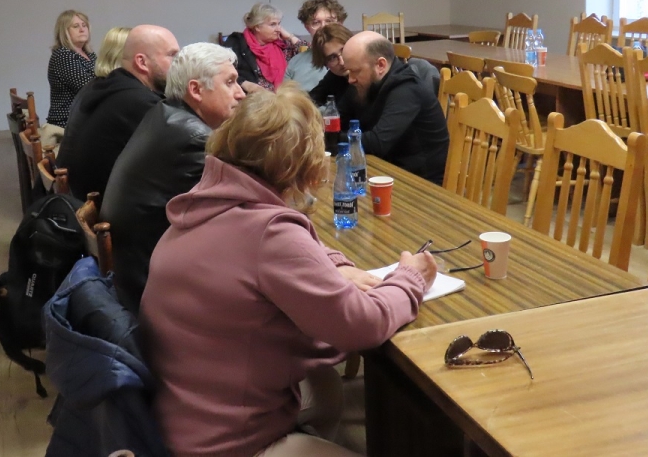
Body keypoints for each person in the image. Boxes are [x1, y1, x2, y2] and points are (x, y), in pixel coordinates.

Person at [139, 84, 436, 457]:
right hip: (224, 444)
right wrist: (410, 278)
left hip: (180, 412)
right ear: (300, 166)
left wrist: (335, 265)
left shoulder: (206, 201)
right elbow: (363, 324)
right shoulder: (270, 234)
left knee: (323, 387)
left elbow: (290, 246)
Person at [100, 42, 245, 315]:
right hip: (149, 287)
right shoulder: (194, 138)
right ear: (196, 90)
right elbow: (243, 209)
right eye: (230, 82)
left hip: (131, 268)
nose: (240, 93)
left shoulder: (165, 114)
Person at [56, 25, 180, 200]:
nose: (179, 64)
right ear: (142, 62)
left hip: (75, 197)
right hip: (97, 206)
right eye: (172, 55)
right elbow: (177, 161)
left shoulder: (99, 86)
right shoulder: (140, 102)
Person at [341, 31, 449, 184]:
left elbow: (377, 143)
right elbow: (339, 118)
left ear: (381, 65)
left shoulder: (407, 89)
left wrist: (331, 138)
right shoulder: (365, 83)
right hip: (386, 169)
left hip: (421, 183)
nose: (350, 79)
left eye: (355, 71)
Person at [41, 10, 97, 148]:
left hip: (85, 118)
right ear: (64, 31)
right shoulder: (63, 55)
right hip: (68, 122)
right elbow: (89, 88)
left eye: (84, 25)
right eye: (76, 26)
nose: (82, 29)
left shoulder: (89, 54)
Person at [223, 3, 301, 94]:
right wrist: (244, 83)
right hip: (251, 98)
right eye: (272, 24)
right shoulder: (237, 43)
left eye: (279, 24)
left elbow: (310, 54)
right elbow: (222, 71)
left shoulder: (282, 44)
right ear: (257, 27)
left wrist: (290, 36)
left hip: (283, 97)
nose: (278, 29)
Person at [284, 0, 348, 92]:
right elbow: (285, 97)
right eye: (316, 22)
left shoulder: (355, 56)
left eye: (329, 21)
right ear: (307, 27)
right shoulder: (295, 63)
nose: (323, 27)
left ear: (340, 23)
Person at [308, 23, 355, 108]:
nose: (342, 62)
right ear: (325, 63)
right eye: (333, 57)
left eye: (344, 51)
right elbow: (309, 101)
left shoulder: (373, 72)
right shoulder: (333, 77)